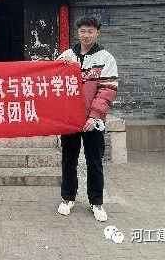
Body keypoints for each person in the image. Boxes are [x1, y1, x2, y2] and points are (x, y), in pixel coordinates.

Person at [56, 15, 118, 222]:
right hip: (70, 120)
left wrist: (94, 116)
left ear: (97, 33)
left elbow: (107, 90)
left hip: (94, 121)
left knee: (94, 161)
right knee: (69, 160)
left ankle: (96, 202)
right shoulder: (67, 55)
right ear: (77, 32)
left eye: (90, 31)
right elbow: (53, 82)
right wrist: (60, 65)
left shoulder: (106, 58)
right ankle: (67, 198)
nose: (86, 35)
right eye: (82, 31)